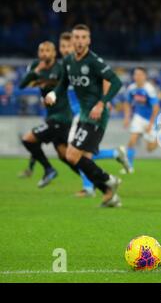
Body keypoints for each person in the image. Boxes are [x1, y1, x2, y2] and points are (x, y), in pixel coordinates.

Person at [45, 24, 123, 207]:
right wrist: (54, 93)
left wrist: (102, 103)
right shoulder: (69, 61)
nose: (79, 41)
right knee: (78, 157)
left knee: (73, 155)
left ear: (89, 40)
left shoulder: (94, 61)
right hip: (84, 115)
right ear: (72, 40)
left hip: (96, 116)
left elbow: (116, 82)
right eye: (76, 37)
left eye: (83, 37)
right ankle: (109, 193)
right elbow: (63, 83)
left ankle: (109, 180)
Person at [19, 41, 77, 188]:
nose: (44, 53)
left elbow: (62, 88)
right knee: (65, 156)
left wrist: (49, 94)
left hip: (62, 116)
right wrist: (37, 70)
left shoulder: (59, 68)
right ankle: (92, 180)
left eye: (47, 51)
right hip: (52, 116)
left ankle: (49, 170)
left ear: (53, 53)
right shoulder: (35, 67)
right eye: (41, 51)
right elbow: (21, 85)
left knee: (28, 139)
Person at [119, 67, 160, 174]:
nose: (137, 77)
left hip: (150, 118)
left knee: (150, 148)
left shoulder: (149, 89)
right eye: (135, 74)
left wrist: (151, 124)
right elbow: (127, 103)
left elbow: (156, 108)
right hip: (138, 117)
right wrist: (127, 117)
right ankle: (129, 167)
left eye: (140, 74)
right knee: (132, 141)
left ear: (144, 76)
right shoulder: (131, 88)